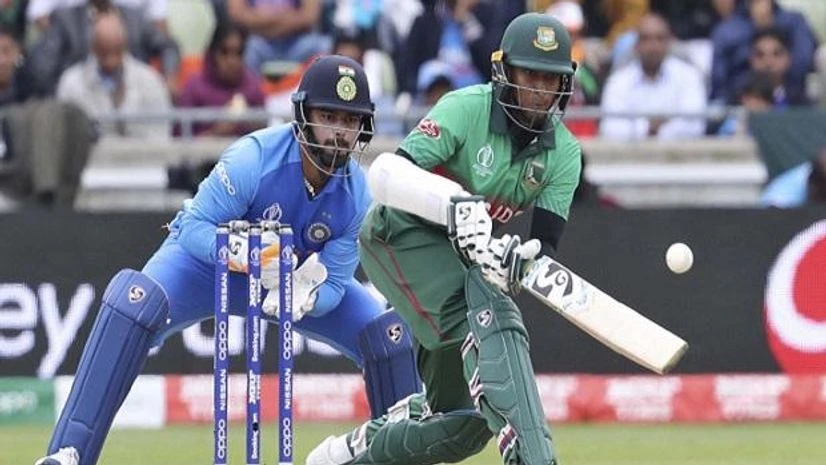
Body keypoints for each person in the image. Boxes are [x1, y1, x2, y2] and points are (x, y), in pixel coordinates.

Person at [33, 55, 421, 465]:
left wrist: (307, 295)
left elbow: (336, 284)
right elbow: (193, 227)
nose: (340, 133)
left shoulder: (358, 196)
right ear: (303, 116)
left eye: (350, 121)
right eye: (329, 117)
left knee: (389, 335)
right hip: (209, 267)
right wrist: (243, 253)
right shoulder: (253, 158)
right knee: (132, 302)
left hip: (287, 282)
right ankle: (67, 454)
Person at [307, 12, 581, 465]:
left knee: (461, 423)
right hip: (399, 236)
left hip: (463, 262)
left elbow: (543, 248)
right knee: (496, 312)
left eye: (549, 79)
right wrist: (454, 204)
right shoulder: (466, 107)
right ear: (505, 73)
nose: (538, 89)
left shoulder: (564, 154)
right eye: (529, 74)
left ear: (564, 85)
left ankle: (354, 451)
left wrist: (523, 261)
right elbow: (387, 173)